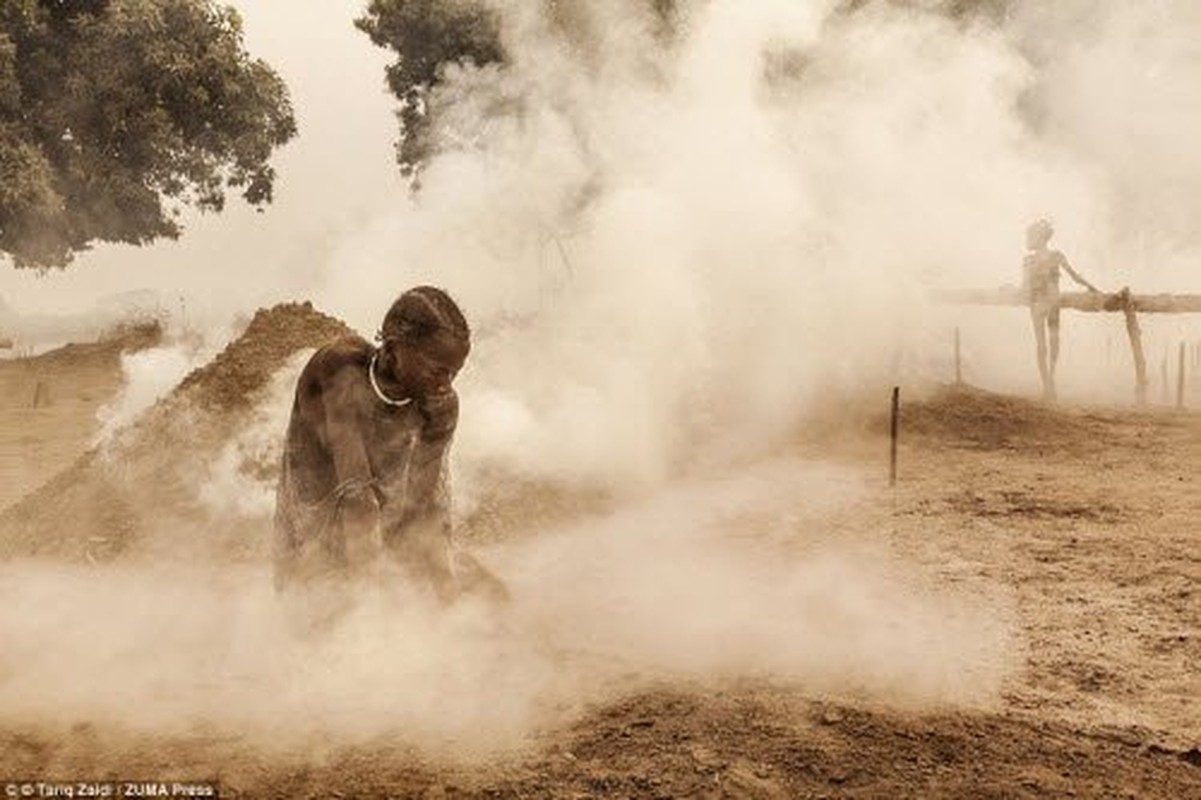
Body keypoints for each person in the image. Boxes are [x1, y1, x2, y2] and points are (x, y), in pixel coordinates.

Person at [273, 286, 497, 602]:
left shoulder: (440, 407)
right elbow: (356, 495)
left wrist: (447, 596)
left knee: (469, 600)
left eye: (454, 373)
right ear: (392, 351)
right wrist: (374, 613)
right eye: (437, 371)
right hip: (313, 527)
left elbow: (422, 509)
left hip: (378, 528)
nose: (446, 385)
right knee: (317, 615)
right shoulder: (340, 370)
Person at [1021, 219, 1100, 401]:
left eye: (1030, 236)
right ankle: (1049, 383)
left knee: (1046, 344)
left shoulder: (1047, 257)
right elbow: (1025, 285)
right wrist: (1090, 286)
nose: (1027, 240)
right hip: (1045, 303)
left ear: (1039, 237)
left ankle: (1049, 383)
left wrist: (1090, 286)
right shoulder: (1034, 259)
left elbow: (1073, 275)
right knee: (1048, 343)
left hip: (1044, 304)